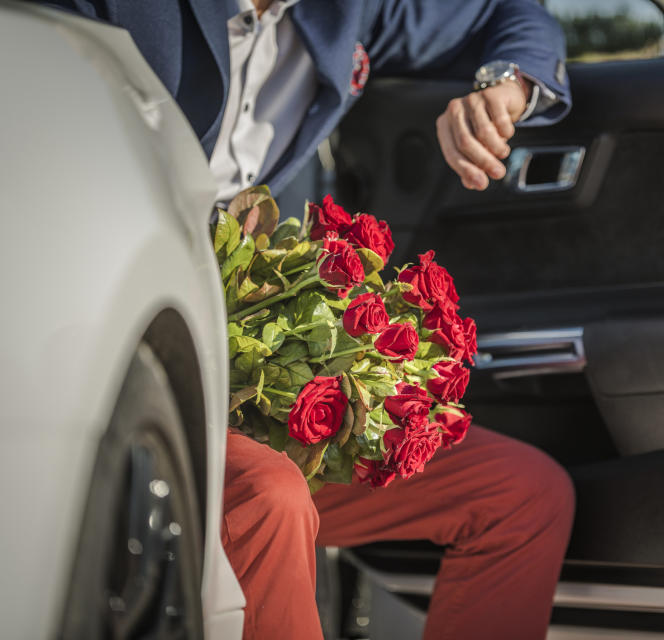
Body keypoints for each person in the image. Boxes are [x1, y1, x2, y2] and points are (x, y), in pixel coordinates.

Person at [42, 1, 575, 638]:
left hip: (254, 369)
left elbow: (511, 15)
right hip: (108, 353)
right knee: (272, 495)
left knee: (521, 496)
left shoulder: (355, 9)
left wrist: (502, 88)